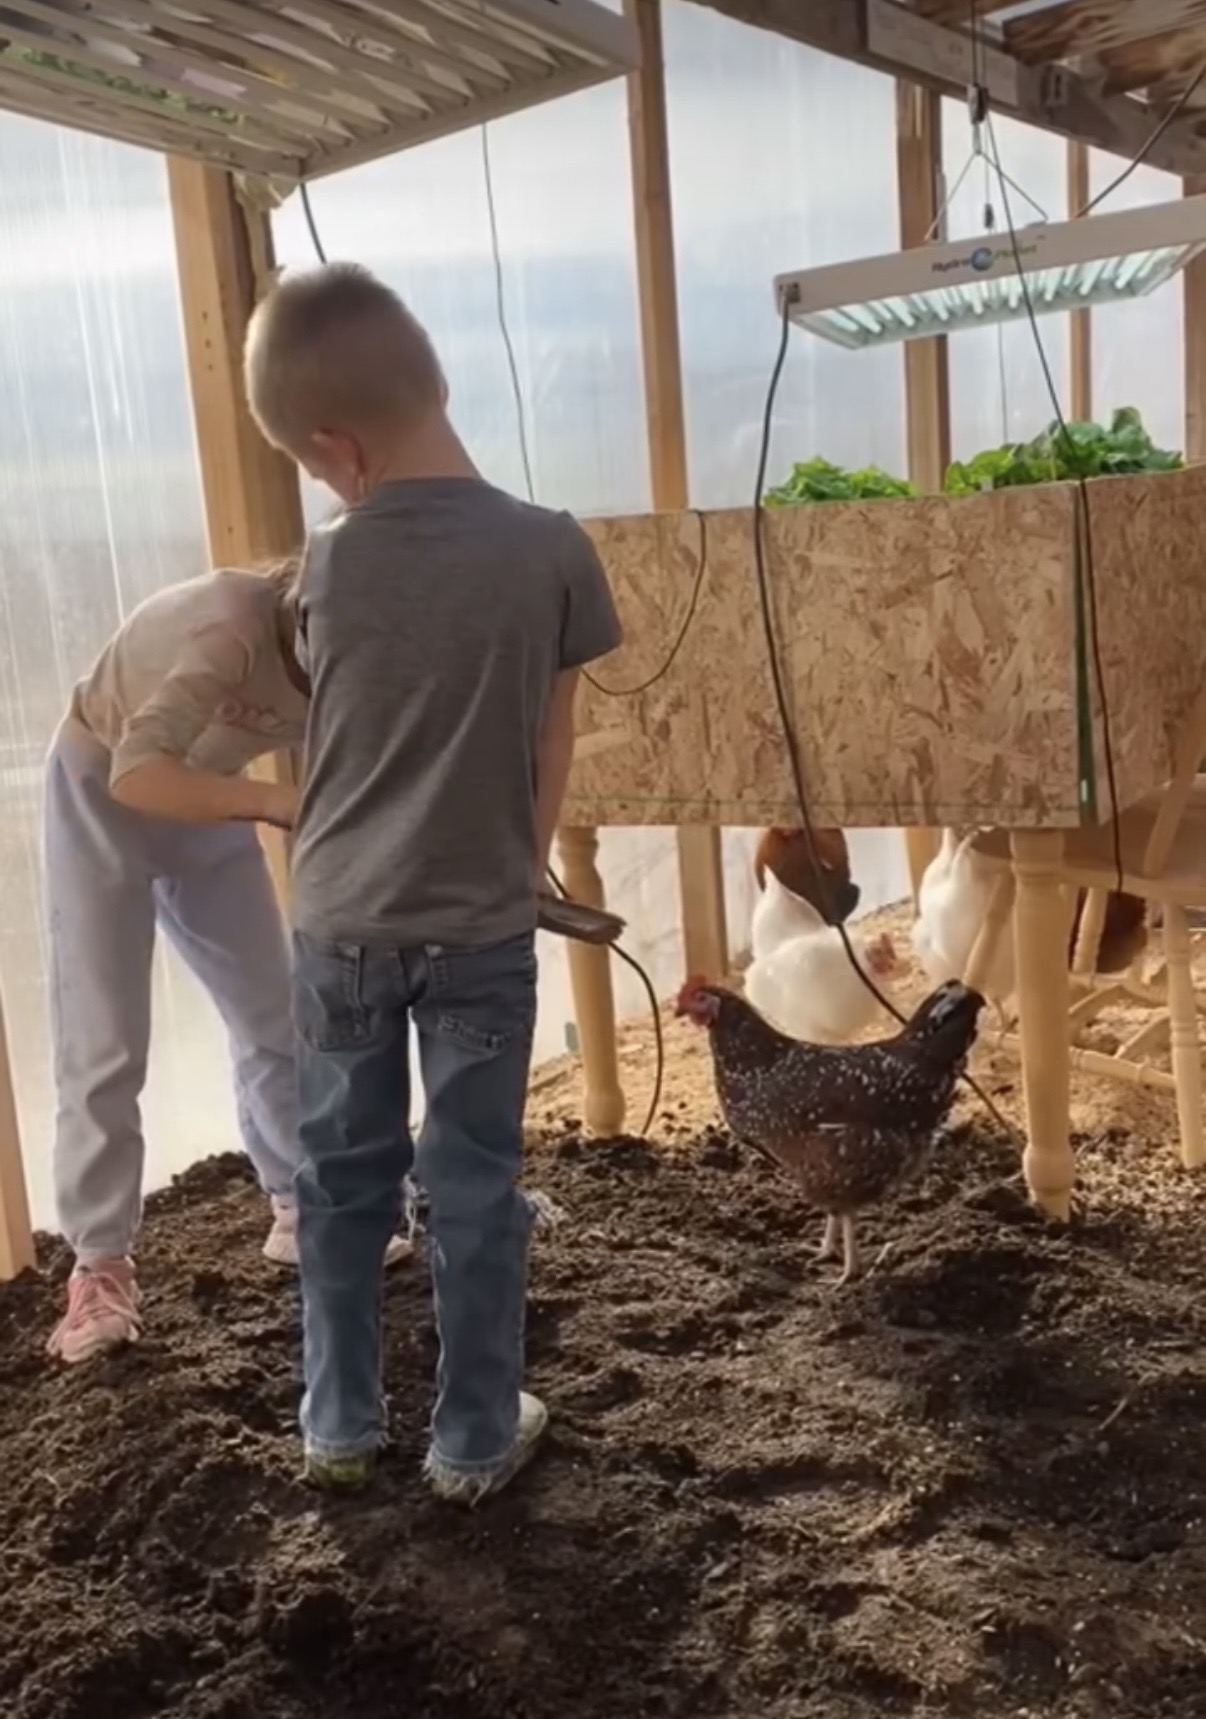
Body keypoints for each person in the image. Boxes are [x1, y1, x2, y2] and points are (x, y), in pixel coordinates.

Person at [243, 263, 622, 1502]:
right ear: (438, 381)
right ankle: (470, 1441)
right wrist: (520, 860)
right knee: (473, 1186)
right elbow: (551, 740)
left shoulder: (325, 568)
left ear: (334, 446)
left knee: (341, 1180)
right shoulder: (554, 552)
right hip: (477, 927)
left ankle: (339, 1428)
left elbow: (337, 724)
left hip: (339, 918)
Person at [43, 559, 411, 1366]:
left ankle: (300, 1205)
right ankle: (99, 1266)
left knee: (274, 1011)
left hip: (206, 796)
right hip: (103, 784)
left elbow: (338, 769)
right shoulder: (228, 627)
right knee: (105, 1036)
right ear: (302, 617)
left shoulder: (349, 654)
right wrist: (275, 804)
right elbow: (137, 774)